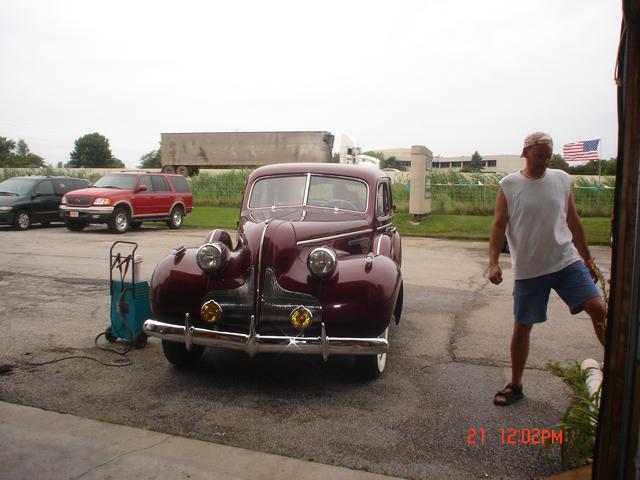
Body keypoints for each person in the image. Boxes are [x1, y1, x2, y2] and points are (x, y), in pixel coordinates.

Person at [488, 131, 606, 406]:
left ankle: (615, 365)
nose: (544, 161)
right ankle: (515, 384)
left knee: (599, 309)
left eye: (548, 156)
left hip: (566, 261)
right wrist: (493, 263)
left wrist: (588, 259)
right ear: (526, 152)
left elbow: (573, 221)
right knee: (522, 328)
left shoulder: (561, 179)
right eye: (539, 155)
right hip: (530, 269)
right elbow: (498, 226)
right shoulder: (509, 184)